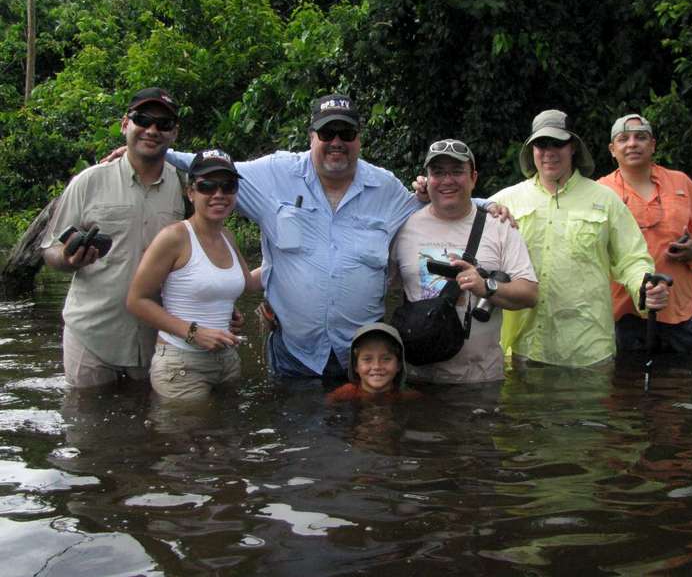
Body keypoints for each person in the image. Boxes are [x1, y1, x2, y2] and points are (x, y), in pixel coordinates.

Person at [157, 94, 505, 381]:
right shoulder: (272, 174)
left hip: (362, 360)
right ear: (311, 137)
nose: (336, 142)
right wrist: (151, 155)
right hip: (293, 354)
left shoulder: (384, 187)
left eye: (346, 132)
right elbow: (205, 167)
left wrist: (488, 204)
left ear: (358, 138)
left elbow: (434, 200)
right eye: (327, 133)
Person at [489, 110, 669, 368]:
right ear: (531, 150)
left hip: (587, 353)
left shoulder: (606, 200)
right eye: (541, 144)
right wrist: (425, 197)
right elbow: (460, 225)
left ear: (573, 147)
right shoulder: (503, 201)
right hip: (518, 350)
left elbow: (633, 260)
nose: (549, 152)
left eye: (558, 143)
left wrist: (646, 288)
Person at [41, 88, 187, 387]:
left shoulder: (185, 186)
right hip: (92, 333)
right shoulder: (89, 181)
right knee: (86, 426)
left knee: (155, 429)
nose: (152, 130)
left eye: (163, 124)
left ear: (174, 134)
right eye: (143, 120)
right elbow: (50, 249)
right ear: (125, 124)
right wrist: (69, 258)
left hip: (156, 336)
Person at [391, 139, 539, 383]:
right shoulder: (404, 226)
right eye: (438, 172)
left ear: (473, 177)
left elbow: (530, 294)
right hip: (417, 382)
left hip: (481, 381)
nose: (447, 180)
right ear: (427, 180)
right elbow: (380, 288)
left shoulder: (500, 226)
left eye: (457, 171)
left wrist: (487, 287)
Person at [126, 150, 262, 400]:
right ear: (190, 193)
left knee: (228, 435)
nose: (218, 194)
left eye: (228, 186)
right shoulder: (174, 237)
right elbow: (136, 300)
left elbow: (250, 282)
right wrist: (193, 332)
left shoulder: (228, 237)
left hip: (227, 359)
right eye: (207, 186)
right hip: (181, 364)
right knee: (189, 434)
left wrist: (293, 257)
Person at [598, 114, 692, 353]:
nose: (632, 144)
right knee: (622, 387)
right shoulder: (599, 191)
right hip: (621, 313)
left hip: (679, 312)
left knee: (681, 385)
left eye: (640, 137)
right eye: (623, 139)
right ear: (613, 149)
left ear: (652, 145)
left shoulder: (681, 182)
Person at [325, 323, 419, 403]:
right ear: (355, 366)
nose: (377, 366)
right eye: (367, 359)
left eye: (386, 359)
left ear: (399, 365)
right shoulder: (346, 393)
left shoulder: (408, 396)